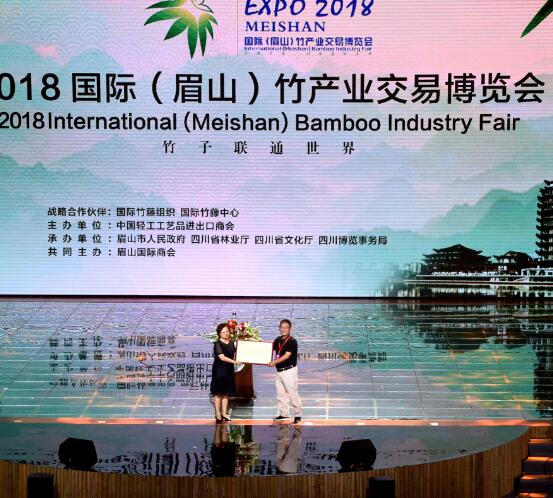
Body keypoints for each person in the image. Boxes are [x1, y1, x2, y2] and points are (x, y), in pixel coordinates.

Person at [269, 319, 302, 424]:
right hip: (279, 371)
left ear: (290, 329)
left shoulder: (292, 341)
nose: (283, 329)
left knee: (293, 393)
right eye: (282, 327)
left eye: (286, 327)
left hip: (289, 371)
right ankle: (283, 414)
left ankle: (298, 414)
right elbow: (269, 348)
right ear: (279, 328)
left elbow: (287, 355)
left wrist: (274, 362)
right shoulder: (277, 340)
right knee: (281, 394)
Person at [210, 322, 243, 423]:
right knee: (218, 393)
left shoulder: (232, 342)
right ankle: (218, 414)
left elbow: (239, 352)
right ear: (219, 333)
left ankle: (224, 413)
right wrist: (235, 362)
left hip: (229, 370)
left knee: (226, 394)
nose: (226, 333)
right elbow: (222, 357)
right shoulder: (217, 344)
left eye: (227, 331)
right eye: (223, 332)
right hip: (219, 371)